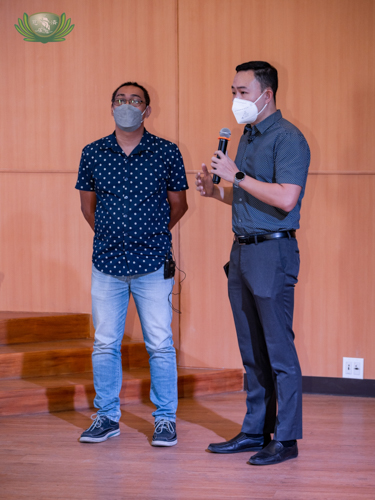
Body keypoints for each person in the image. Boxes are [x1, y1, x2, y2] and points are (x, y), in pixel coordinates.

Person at [196, 61, 310, 465]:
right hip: (242, 249)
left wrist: (236, 175)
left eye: (243, 92)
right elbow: (247, 197)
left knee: (279, 349)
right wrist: (216, 192)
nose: (236, 100)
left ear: (267, 94)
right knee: (251, 349)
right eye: (233, 91)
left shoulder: (288, 138)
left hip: (272, 253)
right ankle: (255, 430)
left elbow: (285, 198)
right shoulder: (245, 137)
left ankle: (287, 438)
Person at [76, 81, 188, 446]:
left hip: (153, 263)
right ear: (111, 107)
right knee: (105, 343)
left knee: (160, 343)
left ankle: (165, 420)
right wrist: (114, 236)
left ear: (147, 110)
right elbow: (87, 206)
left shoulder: (167, 152)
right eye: (121, 100)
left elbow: (179, 204)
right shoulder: (92, 152)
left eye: (135, 100)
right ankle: (107, 417)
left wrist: (149, 234)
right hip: (106, 263)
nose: (127, 105)